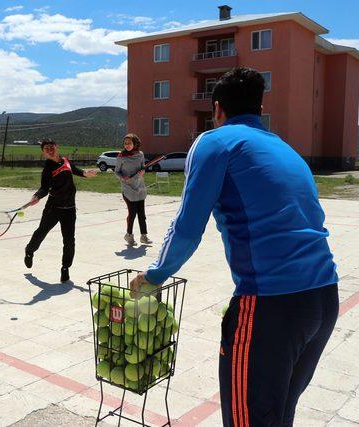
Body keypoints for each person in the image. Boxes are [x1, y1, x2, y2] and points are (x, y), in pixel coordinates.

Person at [129, 68, 338, 426]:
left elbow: (187, 225)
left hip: (271, 306)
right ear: (259, 108)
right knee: (276, 415)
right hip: (323, 299)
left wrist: (154, 274)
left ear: (217, 109)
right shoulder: (283, 146)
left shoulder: (216, 141)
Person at [25, 138, 97, 282]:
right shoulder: (48, 169)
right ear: (44, 153)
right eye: (46, 149)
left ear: (56, 147)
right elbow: (44, 188)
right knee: (41, 232)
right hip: (53, 208)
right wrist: (37, 196)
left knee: (69, 240)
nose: (50, 150)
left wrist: (85, 173)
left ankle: (65, 268)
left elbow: (75, 170)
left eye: (52, 147)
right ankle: (29, 251)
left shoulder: (65, 160)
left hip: (70, 209)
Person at [114, 133, 152, 246]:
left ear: (135, 143)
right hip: (128, 188)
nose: (127, 145)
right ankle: (129, 235)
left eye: (129, 143)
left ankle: (144, 236)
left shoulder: (140, 155)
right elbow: (116, 171)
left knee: (142, 214)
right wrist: (122, 177)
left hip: (139, 187)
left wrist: (142, 172)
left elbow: (143, 168)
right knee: (132, 213)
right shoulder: (121, 156)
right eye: (125, 143)